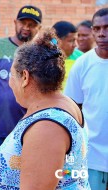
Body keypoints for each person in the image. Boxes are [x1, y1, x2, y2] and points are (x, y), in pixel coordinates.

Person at [0, 29, 90, 190]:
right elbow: (47, 164)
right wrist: (0, 157)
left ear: (25, 78)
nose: (9, 83)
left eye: (12, 76)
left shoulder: (47, 127)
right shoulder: (62, 104)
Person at [0, 5, 42, 189]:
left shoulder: (39, 53)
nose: (26, 27)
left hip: (28, 129)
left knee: (23, 178)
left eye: (32, 24)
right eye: (23, 22)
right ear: (15, 22)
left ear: (38, 28)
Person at [64, 8, 108, 190]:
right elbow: (72, 111)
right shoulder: (82, 64)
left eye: (107, 28)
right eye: (97, 29)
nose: (102, 34)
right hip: (92, 158)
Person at [52, 21, 83, 89]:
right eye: (71, 41)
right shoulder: (44, 59)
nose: (75, 45)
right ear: (57, 41)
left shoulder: (81, 58)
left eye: (75, 40)